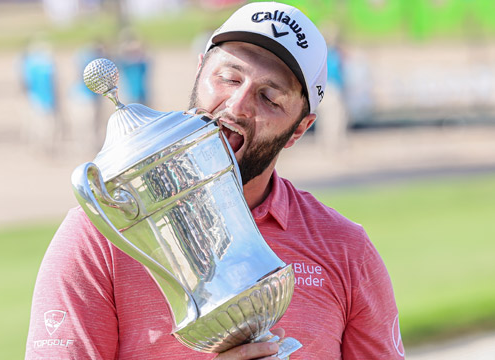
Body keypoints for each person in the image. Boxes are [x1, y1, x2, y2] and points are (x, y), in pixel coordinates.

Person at [25, 2, 404, 359]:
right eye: (227, 78)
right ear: (199, 71)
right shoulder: (100, 236)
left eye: (269, 97)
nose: (237, 105)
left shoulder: (346, 250)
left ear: (299, 129)